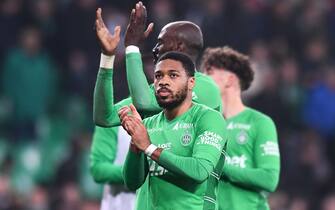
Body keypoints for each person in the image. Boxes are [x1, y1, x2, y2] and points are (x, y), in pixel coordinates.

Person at [119, 51, 227, 210]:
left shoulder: (209, 118)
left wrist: (149, 147)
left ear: (191, 82)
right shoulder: (147, 125)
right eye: (158, 76)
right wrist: (136, 142)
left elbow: (199, 170)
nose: (163, 81)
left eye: (173, 75)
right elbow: (132, 182)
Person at [93, 2, 222, 128]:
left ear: (179, 47)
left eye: (160, 43)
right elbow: (105, 117)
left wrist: (132, 47)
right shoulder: (154, 91)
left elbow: (144, 103)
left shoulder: (206, 87)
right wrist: (107, 56)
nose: (155, 49)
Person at [201, 46, 280, 210]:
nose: (203, 78)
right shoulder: (203, 122)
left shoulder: (259, 122)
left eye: (209, 72)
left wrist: (220, 167)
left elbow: (269, 179)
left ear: (229, 80)